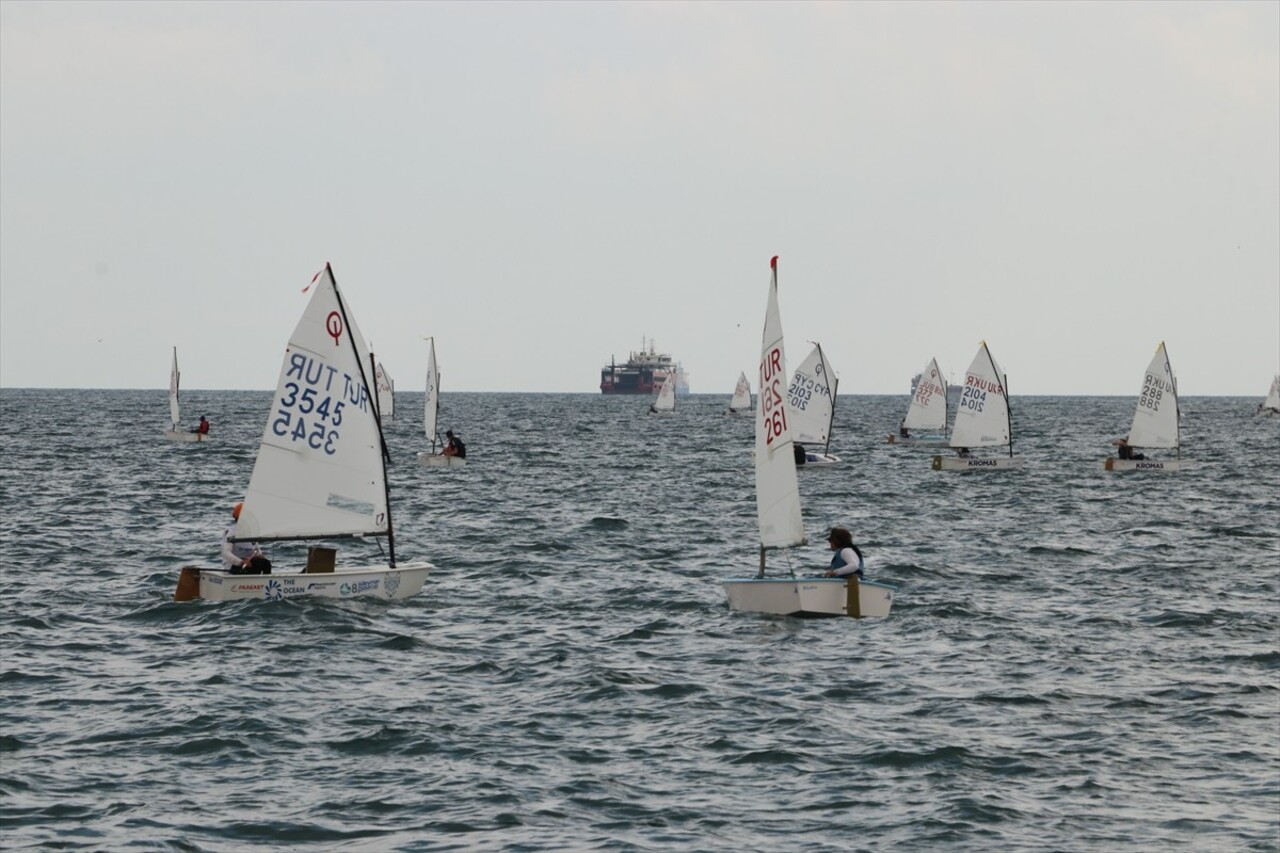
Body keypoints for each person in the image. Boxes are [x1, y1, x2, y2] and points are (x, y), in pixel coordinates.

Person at [221, 502, 271, 574]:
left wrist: (260, 555)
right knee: (248, 567)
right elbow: (225, 552)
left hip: (249, 562)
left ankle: (267, 582)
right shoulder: (231, 532)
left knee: (266, 563)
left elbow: (256, 549)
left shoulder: (252, 532)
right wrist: (241, 562)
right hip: (233, 565)